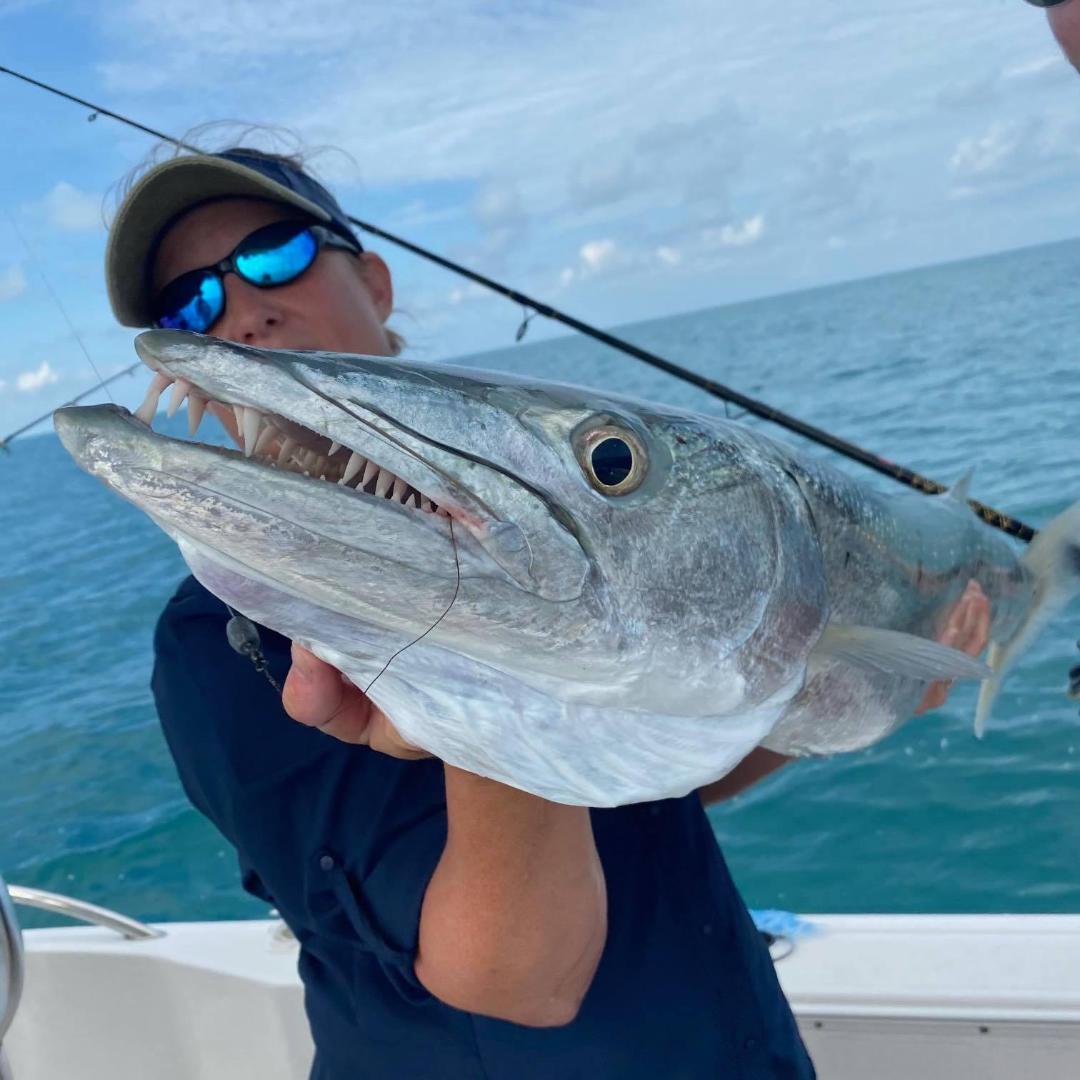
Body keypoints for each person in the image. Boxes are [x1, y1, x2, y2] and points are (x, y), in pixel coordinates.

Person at [105, 143, 989, 1079]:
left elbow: (663, 789)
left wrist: (868, 692)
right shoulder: (218, 639)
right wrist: (495, 655)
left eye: (273, 254)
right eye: (189, 307)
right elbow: (523, 980)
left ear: (376, 279)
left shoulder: (558, 546)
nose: (240, 310)